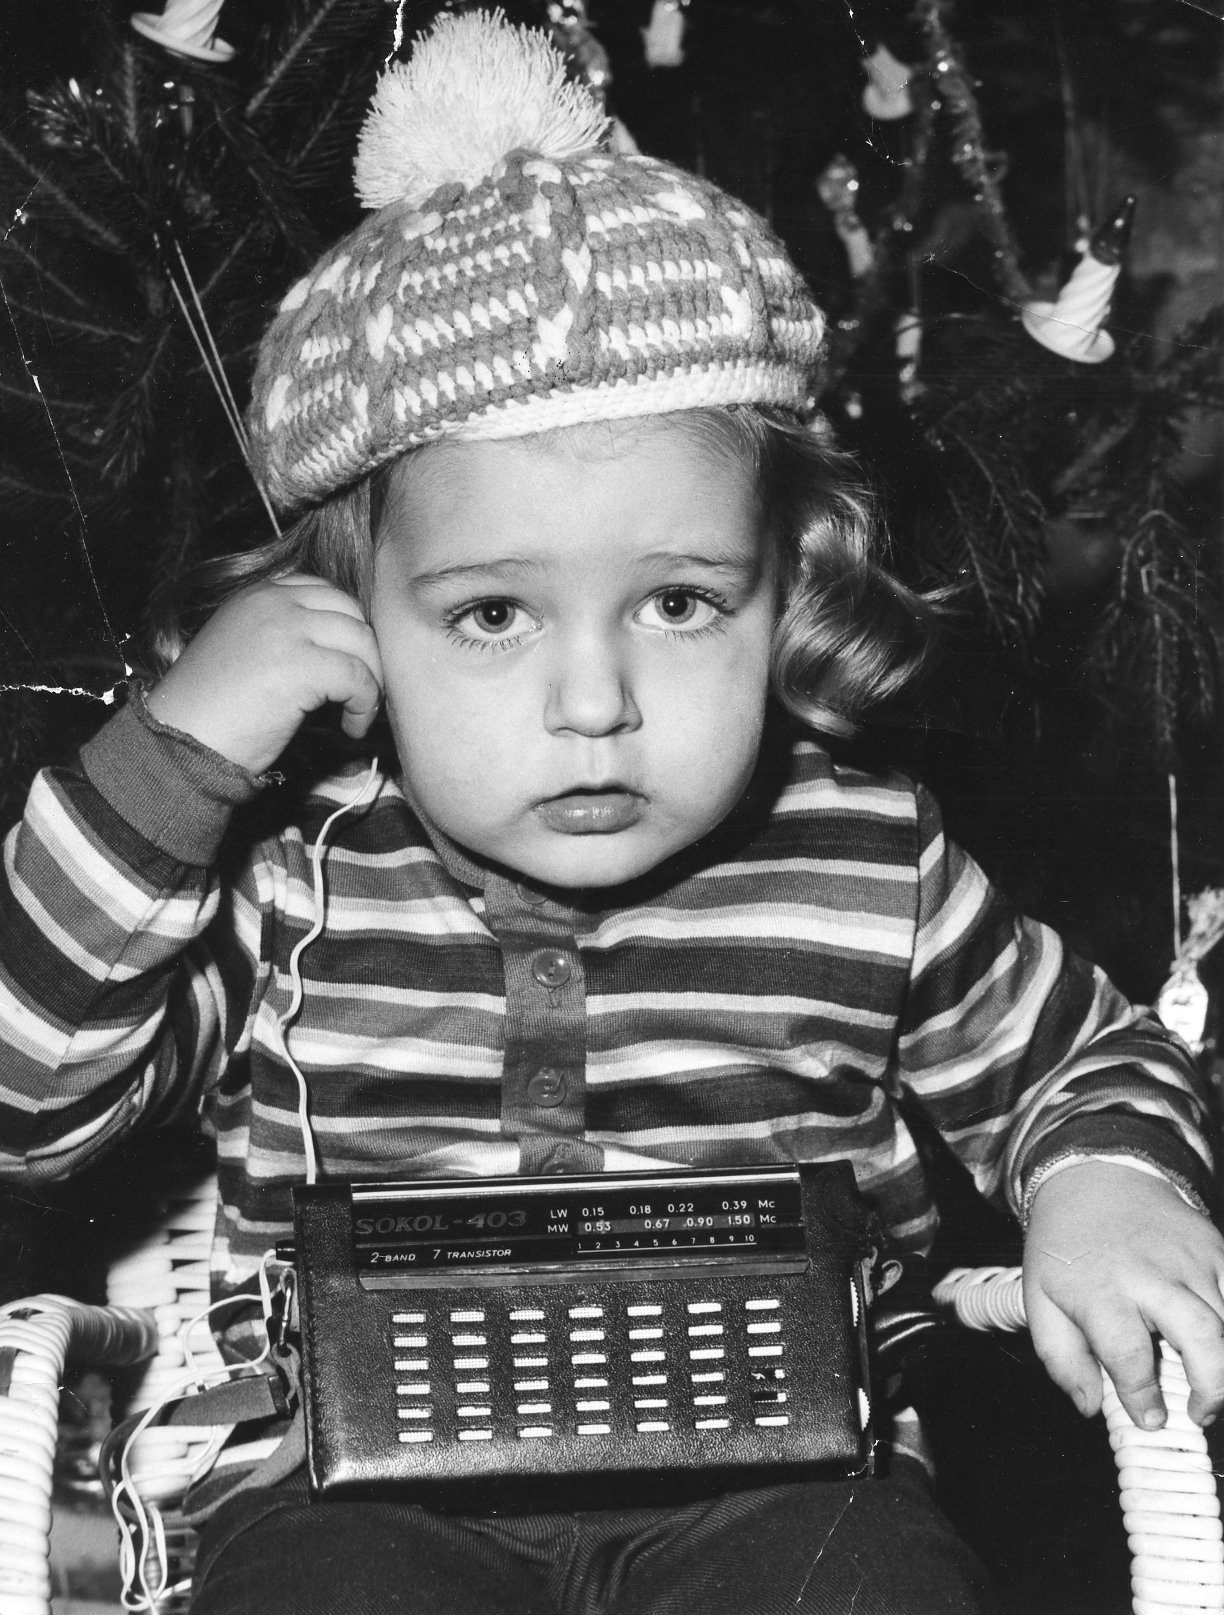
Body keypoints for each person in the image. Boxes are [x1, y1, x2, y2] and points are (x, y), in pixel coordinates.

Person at [2, 12, 1222, 1613]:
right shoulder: (290, 866)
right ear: (347, 620)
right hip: (346, 1499)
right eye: (493, 615)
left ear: (788, 591)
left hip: (789, 1485)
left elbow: (1085, 1056)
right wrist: (174, 761)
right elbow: (32, 1099)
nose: (595, 702)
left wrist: (1107, 1187)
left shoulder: (871, 856)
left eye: (679, 602)